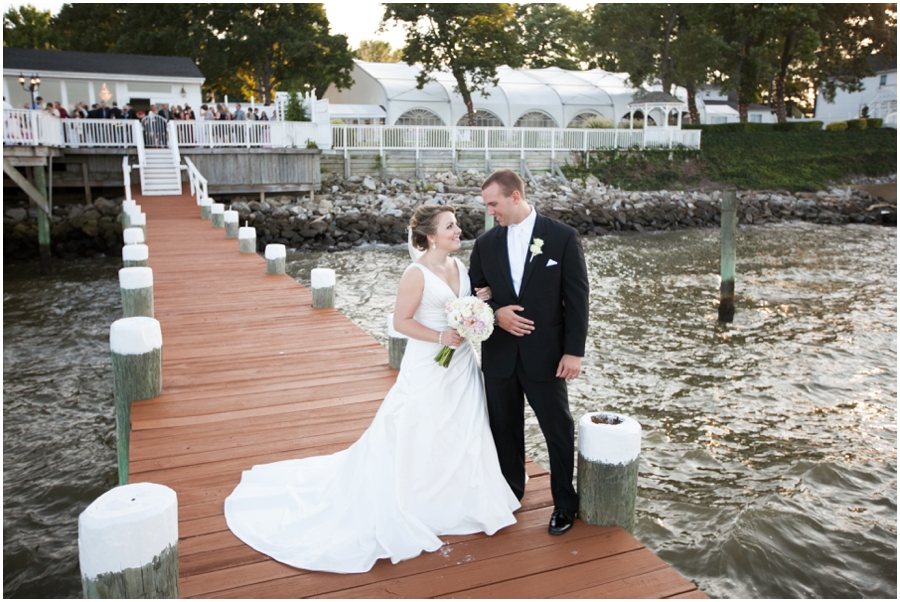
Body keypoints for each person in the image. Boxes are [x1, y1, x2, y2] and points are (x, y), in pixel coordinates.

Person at [225, 204, 519, 573]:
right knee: (419, 428)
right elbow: (401, 322)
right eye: (451, 226)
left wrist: (480, 305)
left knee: (463, 429)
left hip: (460, 366)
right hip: (428, 365)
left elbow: (462, 305)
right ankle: (417, 500)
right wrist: (440, 335)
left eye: (457, 225)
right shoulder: (416, 274)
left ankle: (460, 498)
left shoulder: (460, 267)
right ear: (431, 236)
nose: (459, 230)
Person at [469, 169, 589, 536]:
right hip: (500, 356)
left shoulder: (562, 237)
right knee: (504, 429)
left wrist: (574, 352)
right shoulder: (485, 244)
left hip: (547, 356)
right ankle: (510, 494)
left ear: (515, 197)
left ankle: (564, 505)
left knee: (557, 429)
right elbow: (475, 296)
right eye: (487, 205)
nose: (491, 212)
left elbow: (578, 298)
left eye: (494, 204)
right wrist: (496, 315)